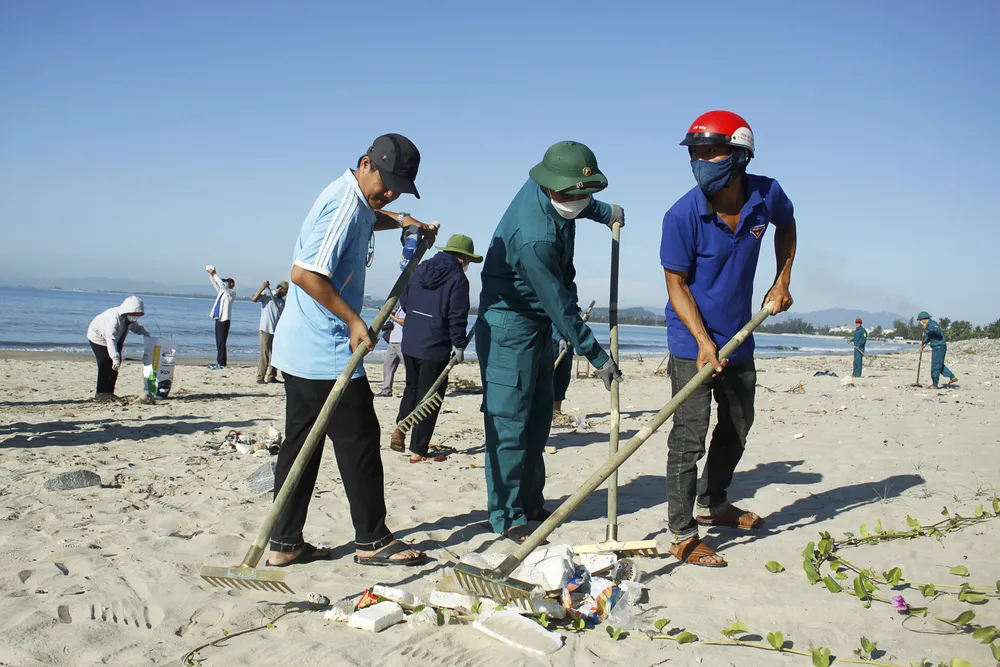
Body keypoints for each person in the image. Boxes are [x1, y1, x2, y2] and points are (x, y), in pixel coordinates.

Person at [268, 133, 439, 567]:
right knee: (360, 439)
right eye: (387, 184)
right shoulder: (344, 206)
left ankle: (285, 543)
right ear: (366, 163)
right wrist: (353, 320)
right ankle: (372, 539)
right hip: (322, 350)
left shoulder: (356, 200)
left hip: (302, 346)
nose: (391, 193)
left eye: (400, 187)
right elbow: (304, 274)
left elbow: (370, 216)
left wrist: (400, 219)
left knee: (301, 444)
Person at [660, 110, 797, 567]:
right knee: (688, 437)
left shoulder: (765, 194)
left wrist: (782, 280)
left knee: (738, 425)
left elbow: (788, 223)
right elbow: (676, 285)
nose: (700, 160)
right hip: (690, 342)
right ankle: (681, 532)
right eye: (695, 152)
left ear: (740, 155)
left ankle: (713, 502)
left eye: (711, 151)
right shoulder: (682, 216)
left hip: (741, 336)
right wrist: (702, 341)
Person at [477, 140, 624, 541]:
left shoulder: (559, 191)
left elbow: (576, 198)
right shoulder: (535, 238)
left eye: (585, 194)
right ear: (548, 187)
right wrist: (598, 357)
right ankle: (508, 518)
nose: (577, 201)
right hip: (510, 327)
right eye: (571, 195)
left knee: (539, 421)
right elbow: (560, 305)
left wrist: (603, 211)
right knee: (510, 426)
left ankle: (530, 503)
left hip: (540, 325)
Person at [390, 234, 481, 462]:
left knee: (412, 388)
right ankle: (417, 451)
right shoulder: (459, 279)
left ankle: (400, 428)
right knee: (430, 398)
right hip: (435, 346)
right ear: (462, 257)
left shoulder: (421, 268)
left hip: (409, 340)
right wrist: (459, 345)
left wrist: (417, 319)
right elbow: (456, 316)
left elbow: (405, 300)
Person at [86, 296, 150, 398]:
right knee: (105, 362)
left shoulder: (129, 320)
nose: (135, 317)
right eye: (134, 314)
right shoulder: (113, 319)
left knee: (116, 365)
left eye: (138, 315)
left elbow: (135, 327)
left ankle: (109, 391)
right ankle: (101, 392)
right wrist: (114, 357)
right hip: (98, 337)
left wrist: (146, 334)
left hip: (116, 339)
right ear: (127, 311)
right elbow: (110, 338)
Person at [251, 280, 288, 384]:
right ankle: (260, 377)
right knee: (265, 354)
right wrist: (263, 287)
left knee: (275, 354)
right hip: (266, 329)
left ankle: (271, 376)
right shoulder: (267, 295)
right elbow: (254, 299)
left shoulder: (282, 302)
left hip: (276, 331)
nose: (285, 294)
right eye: (285, 291)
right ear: (280, 289)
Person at [918, 311, 958, 389]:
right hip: (936, 347)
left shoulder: (932, 324)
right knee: (939, 365)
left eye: (921, 320)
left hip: (939, 346)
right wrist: (924, 344)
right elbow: (928, 336)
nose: (921, 322)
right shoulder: (926, 327)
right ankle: (952, 377)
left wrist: (927, 327)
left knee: (935, 365)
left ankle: (935, 384)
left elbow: (938, 332)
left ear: (925, 319)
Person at [206, 267, 235, 369]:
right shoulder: (222, 292)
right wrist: (211, 274)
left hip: (225, 320)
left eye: (227, 282)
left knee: (222, 341)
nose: (225, 283)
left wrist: (214, 273)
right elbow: (216, 283)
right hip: (218, 318)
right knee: (218, 341)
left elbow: (222, 285)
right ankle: (219, 361)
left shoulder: (231, 293)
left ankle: (221, 363)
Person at [377, 306, 405, 397]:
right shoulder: (401, 306)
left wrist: (390, 315)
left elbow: (403, 321)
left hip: (402, 341)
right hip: (393, 340)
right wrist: (389, 313)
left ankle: (413, 389)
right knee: (387, 366)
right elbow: (398, 317)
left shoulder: (409, 306)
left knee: (409, 367)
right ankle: (386, 390)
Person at [551, 331, 574, 425]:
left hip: (568, 342)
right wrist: (559, 338)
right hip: (552, 343)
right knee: (551, 377)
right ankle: (548, 411)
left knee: (563, 377)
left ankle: (556, 411)